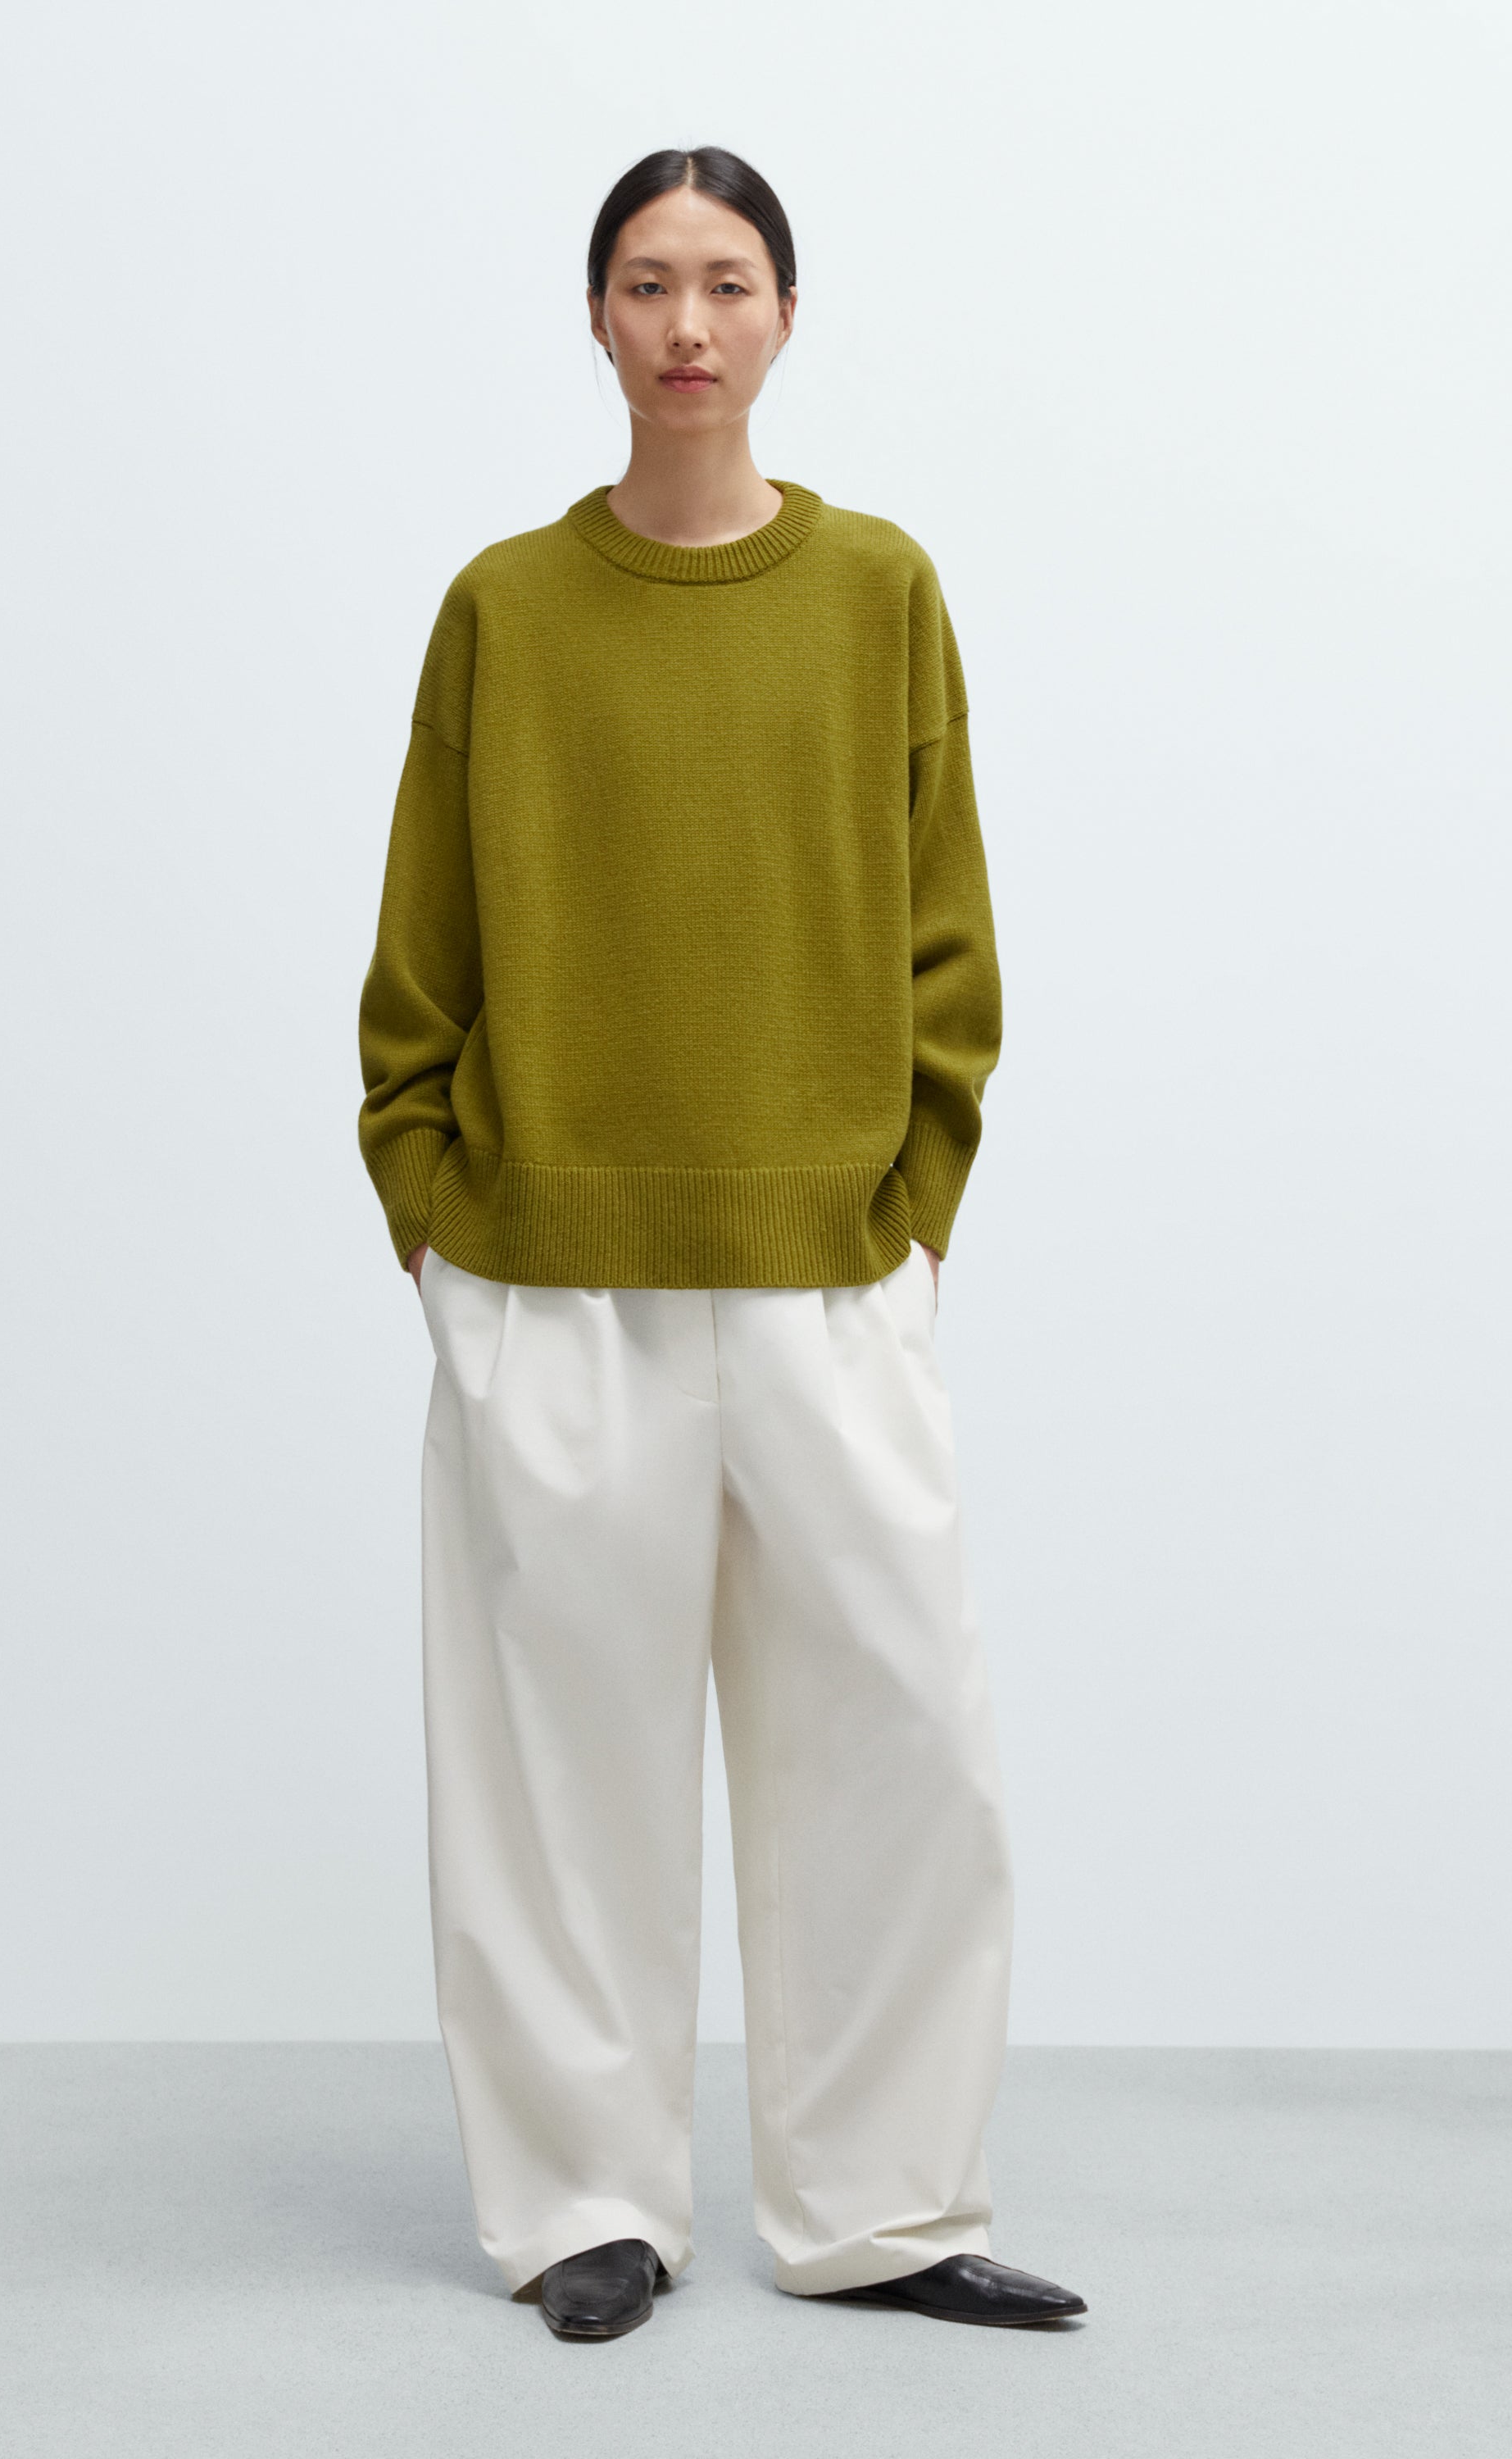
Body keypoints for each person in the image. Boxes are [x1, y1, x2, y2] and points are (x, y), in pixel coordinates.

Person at [356, 145, 1086, 2343]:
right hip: (552, 1271)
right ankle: (586, 2204)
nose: (689, 324)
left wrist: (913, 1210)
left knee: (898, 1748)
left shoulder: (877, 593)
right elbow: (421, 958)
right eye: (650, 282)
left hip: (828, 1273)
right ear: (596, 315)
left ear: (785, 316)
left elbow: (949, 934)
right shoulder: (504, 608)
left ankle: (885, 2208)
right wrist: (439, 1220)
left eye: (730, 281)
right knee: (556, 1772)